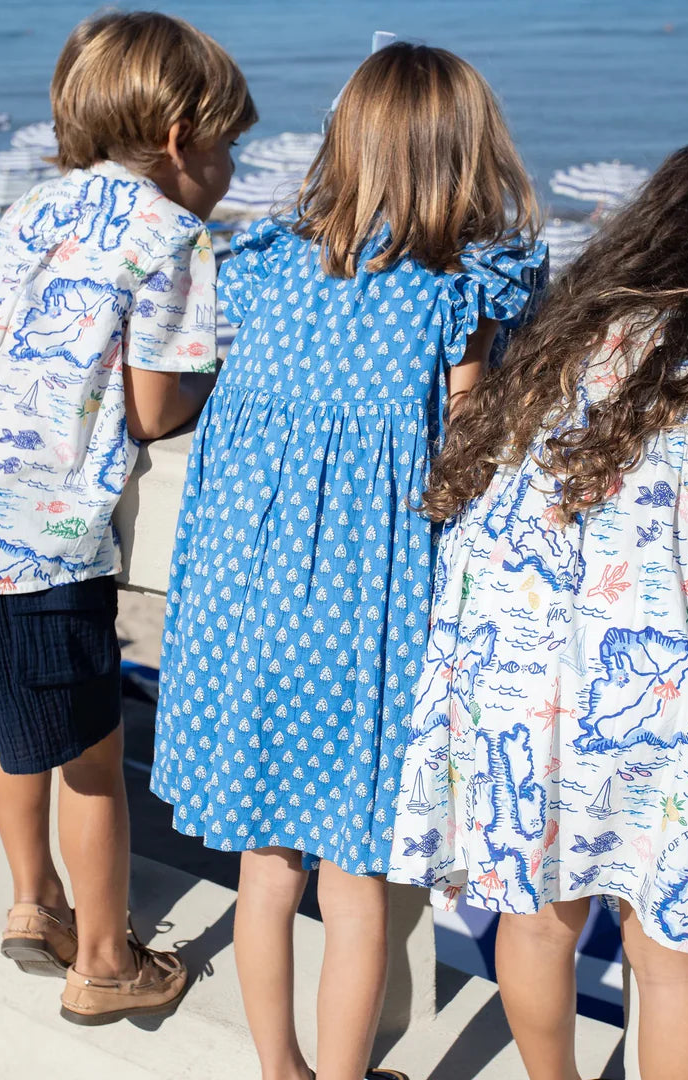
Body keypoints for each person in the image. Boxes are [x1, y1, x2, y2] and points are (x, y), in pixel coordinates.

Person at [387, 130, 688, 1080]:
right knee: (670, 956)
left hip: (525, 669)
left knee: (538, 919)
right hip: (655, 686)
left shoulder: (578, 331)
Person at [152, 42, 546, 1080]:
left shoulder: (263, 265)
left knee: (265, 870)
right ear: (463, 155)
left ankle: (278, 1069)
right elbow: (471, 454)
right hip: (366, 623)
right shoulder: (457, 292)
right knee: (357, 884)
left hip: (245, 610)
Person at [0, 11, 256, 1026]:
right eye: (230, 144)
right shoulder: (173, 235)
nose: (232, 169)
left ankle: (33, 900)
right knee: (92, 757)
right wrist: (219, 379)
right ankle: (104, 962)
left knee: (9, 722)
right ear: (180, 138)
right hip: (32, 543)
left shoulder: (33, 206)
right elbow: (152, 410)